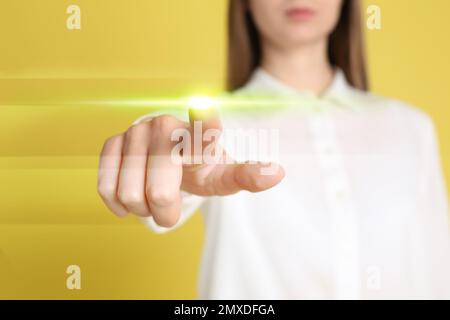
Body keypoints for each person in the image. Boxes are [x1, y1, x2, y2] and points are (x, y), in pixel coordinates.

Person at [97, 0, 450, 299]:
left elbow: (437, 273)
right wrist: (156, 152)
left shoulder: (411, 128)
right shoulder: (216, 128)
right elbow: (170, 150)